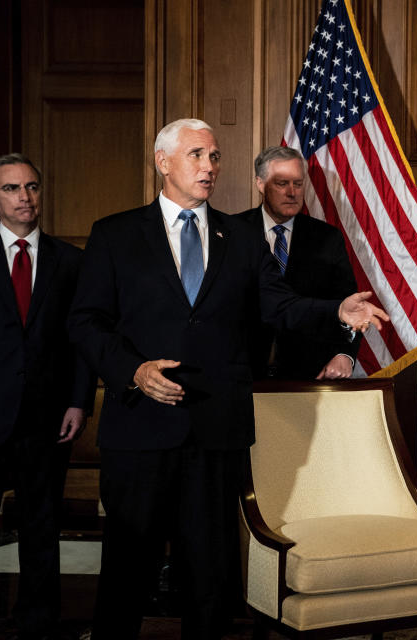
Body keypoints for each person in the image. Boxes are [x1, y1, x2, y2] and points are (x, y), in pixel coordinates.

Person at [68, 118, 388, 639]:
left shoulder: (239, 236)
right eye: (196, 155)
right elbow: (85, 321)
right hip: (141, 428)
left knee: (210, 576)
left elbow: (278, 305)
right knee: (128, 571)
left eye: (215, 157)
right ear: (163, 161)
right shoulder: (115, 234)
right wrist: (133, 369)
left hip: (217, 429)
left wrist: (336, 311)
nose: (209, 167)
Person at [0, 153, 96, 639]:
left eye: (31, 187)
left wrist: (79, 401)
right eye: (12, 188)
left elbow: (82, 340)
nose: (24, 198)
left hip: (47, 417)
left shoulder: (71, 261)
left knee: (41, 526)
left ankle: (37, 622)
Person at [237, 146, 359, 380]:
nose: (292, 192)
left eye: (298, 183)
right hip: (242, 375)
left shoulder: (327, 239)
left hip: (308, 376)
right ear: (260, 184)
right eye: (282, 183)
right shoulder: (233, 232)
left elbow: (349, 303)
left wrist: (344, 354)